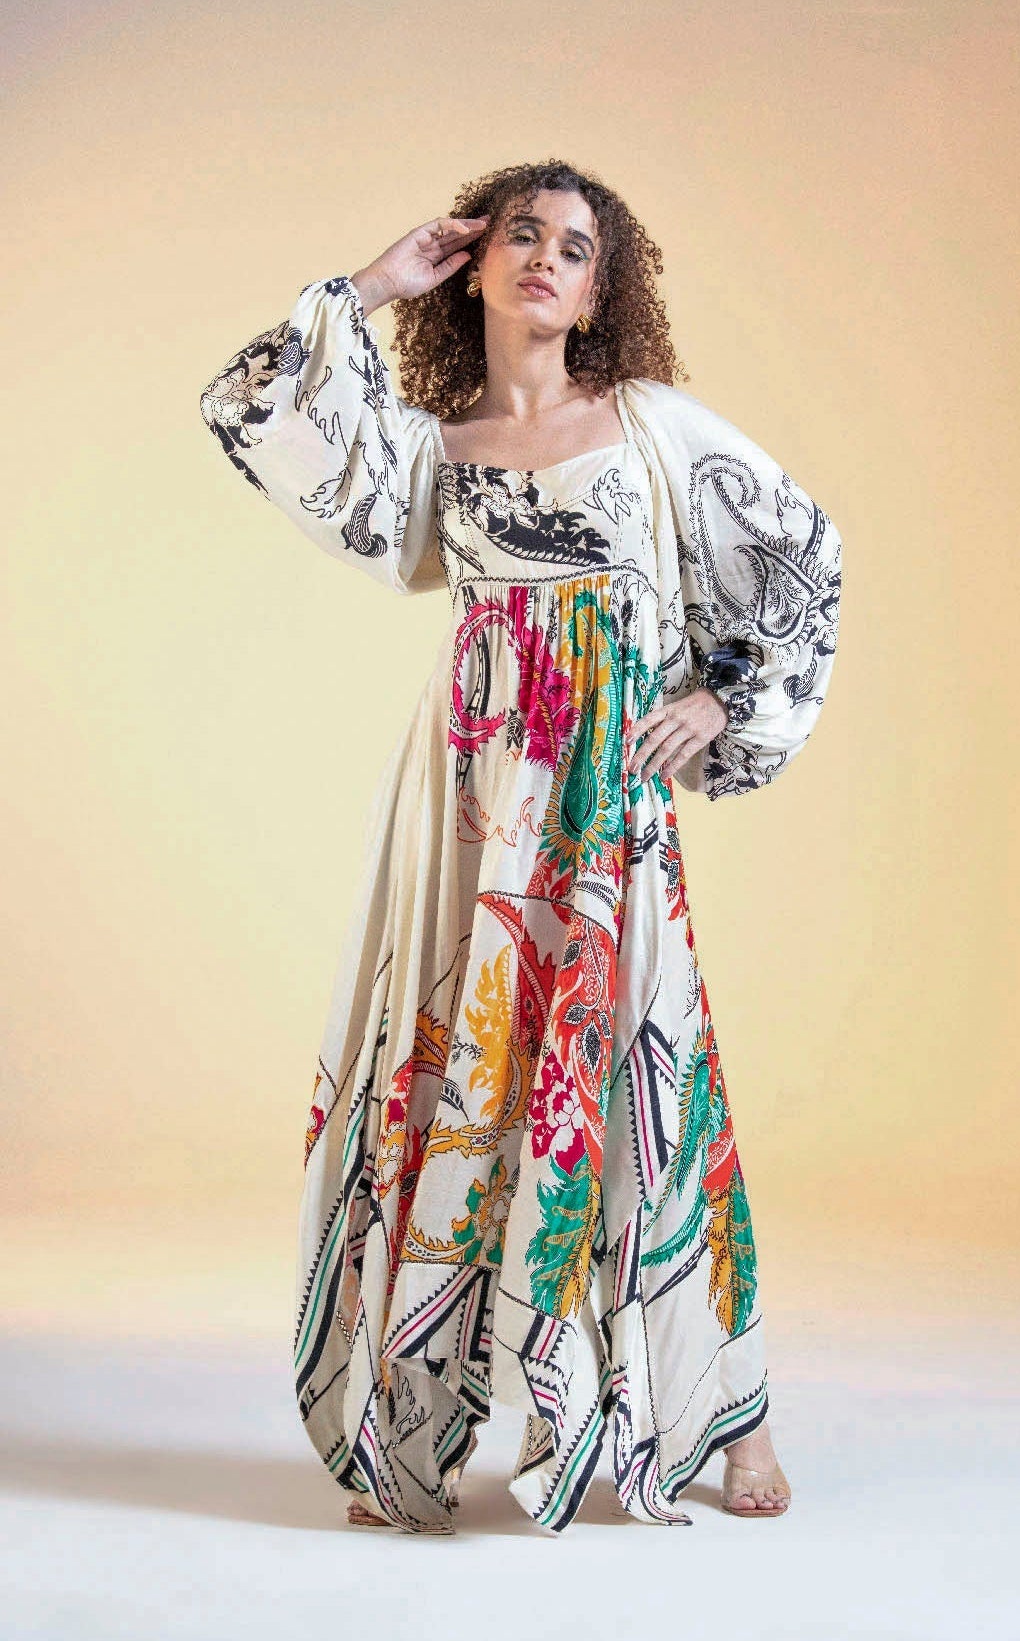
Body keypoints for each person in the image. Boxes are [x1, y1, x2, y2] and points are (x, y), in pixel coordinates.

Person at [199, 158, 843, 1534]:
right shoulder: (432, 453)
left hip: (608, 803)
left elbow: (800, 549)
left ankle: (729, 1416)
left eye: (577, 248)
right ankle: (416, 1422)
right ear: (476, 266)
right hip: (474, 800)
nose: (547, 257)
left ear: (603, 293)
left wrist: (721, 696)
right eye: (522, 236)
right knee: (459, 1068)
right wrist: (376, 284)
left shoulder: (650, 425)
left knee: (648, 1070)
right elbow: (255, 407)